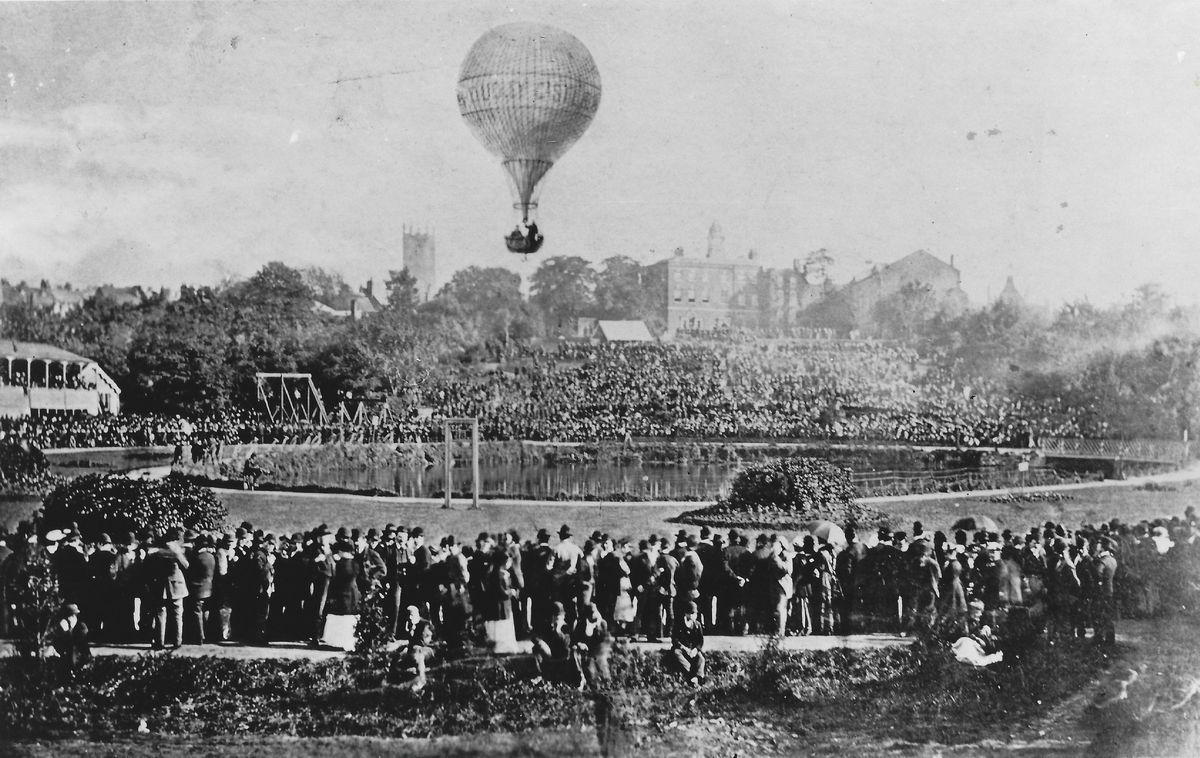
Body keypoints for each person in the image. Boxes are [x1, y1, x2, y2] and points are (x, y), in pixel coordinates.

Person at [144, 529, 189, 650]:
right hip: (177, 585)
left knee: (160, 614)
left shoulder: (156, 552)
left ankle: (159, 642)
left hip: (160, 585)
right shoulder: (176, 551)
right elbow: (186, 565)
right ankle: (177, 642)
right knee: (177, 614)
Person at [50, 602, 91, 674]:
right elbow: (57, 642)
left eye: (72, 616)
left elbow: (79, 641)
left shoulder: (81, 626)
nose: (68, 619)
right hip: (67, 657)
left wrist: (71, 629)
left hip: (79, 656)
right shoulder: (63, 625)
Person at [671, 600, 706, 685]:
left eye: (694, 614)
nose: (693, 616)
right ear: (686, 614)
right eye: (691, 613)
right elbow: (674, 639)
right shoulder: (679, 624)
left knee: (701, 659)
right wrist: (684, 648)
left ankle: (699, 677)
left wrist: (695, 650)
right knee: (677, 653)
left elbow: (700, 641)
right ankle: (690, 674)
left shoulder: (697, 625)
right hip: (682, 648)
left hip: (692, 650)